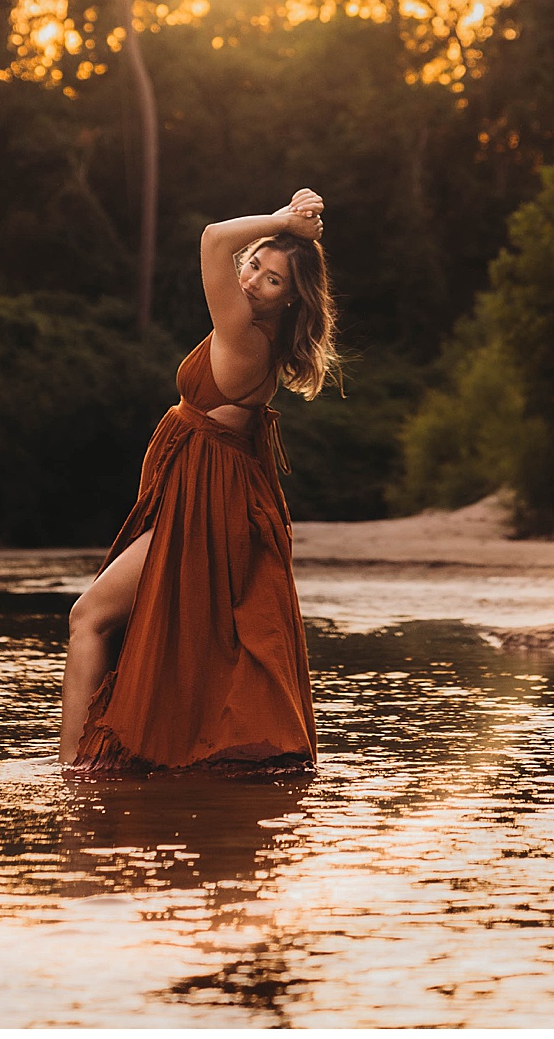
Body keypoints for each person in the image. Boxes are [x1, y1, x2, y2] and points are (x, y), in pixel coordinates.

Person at [58, 188, 337, 775]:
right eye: (256, 264)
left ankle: (72, 774)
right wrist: (289, 223)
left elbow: (213, 238)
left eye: (273, 280)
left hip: (207, 498)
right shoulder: (258, 332)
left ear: (291, 300)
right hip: (205, 491)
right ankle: (119, 760)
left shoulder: (244, 334)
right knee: (136, 621)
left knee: (89, 617)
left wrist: (283, 222)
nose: (254, 280)